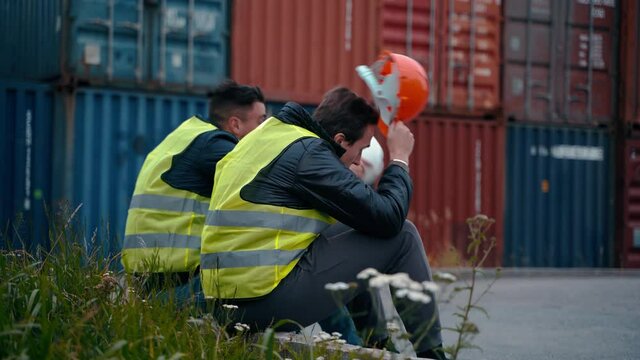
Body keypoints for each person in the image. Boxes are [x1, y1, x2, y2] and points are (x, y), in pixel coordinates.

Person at [200, 87, 447, 359]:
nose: (358, 160)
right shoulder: (309, 154)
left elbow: (357, 228)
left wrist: (346, 178)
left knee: (357, 229)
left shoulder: (272, 136)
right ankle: (432, 354)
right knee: (403, 235)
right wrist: (400, 159)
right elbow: (388, 218)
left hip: (223, 301)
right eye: (361, 149)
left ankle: (376, 348)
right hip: (258, 302)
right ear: (340, 140)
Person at [121, 80, 266, 309]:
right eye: (261, 122)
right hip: (176, 286)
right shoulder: (214, 145)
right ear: (235, 124)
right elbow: (266, 181)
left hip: (146, 278)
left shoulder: (187, 135)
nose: (265, 130)